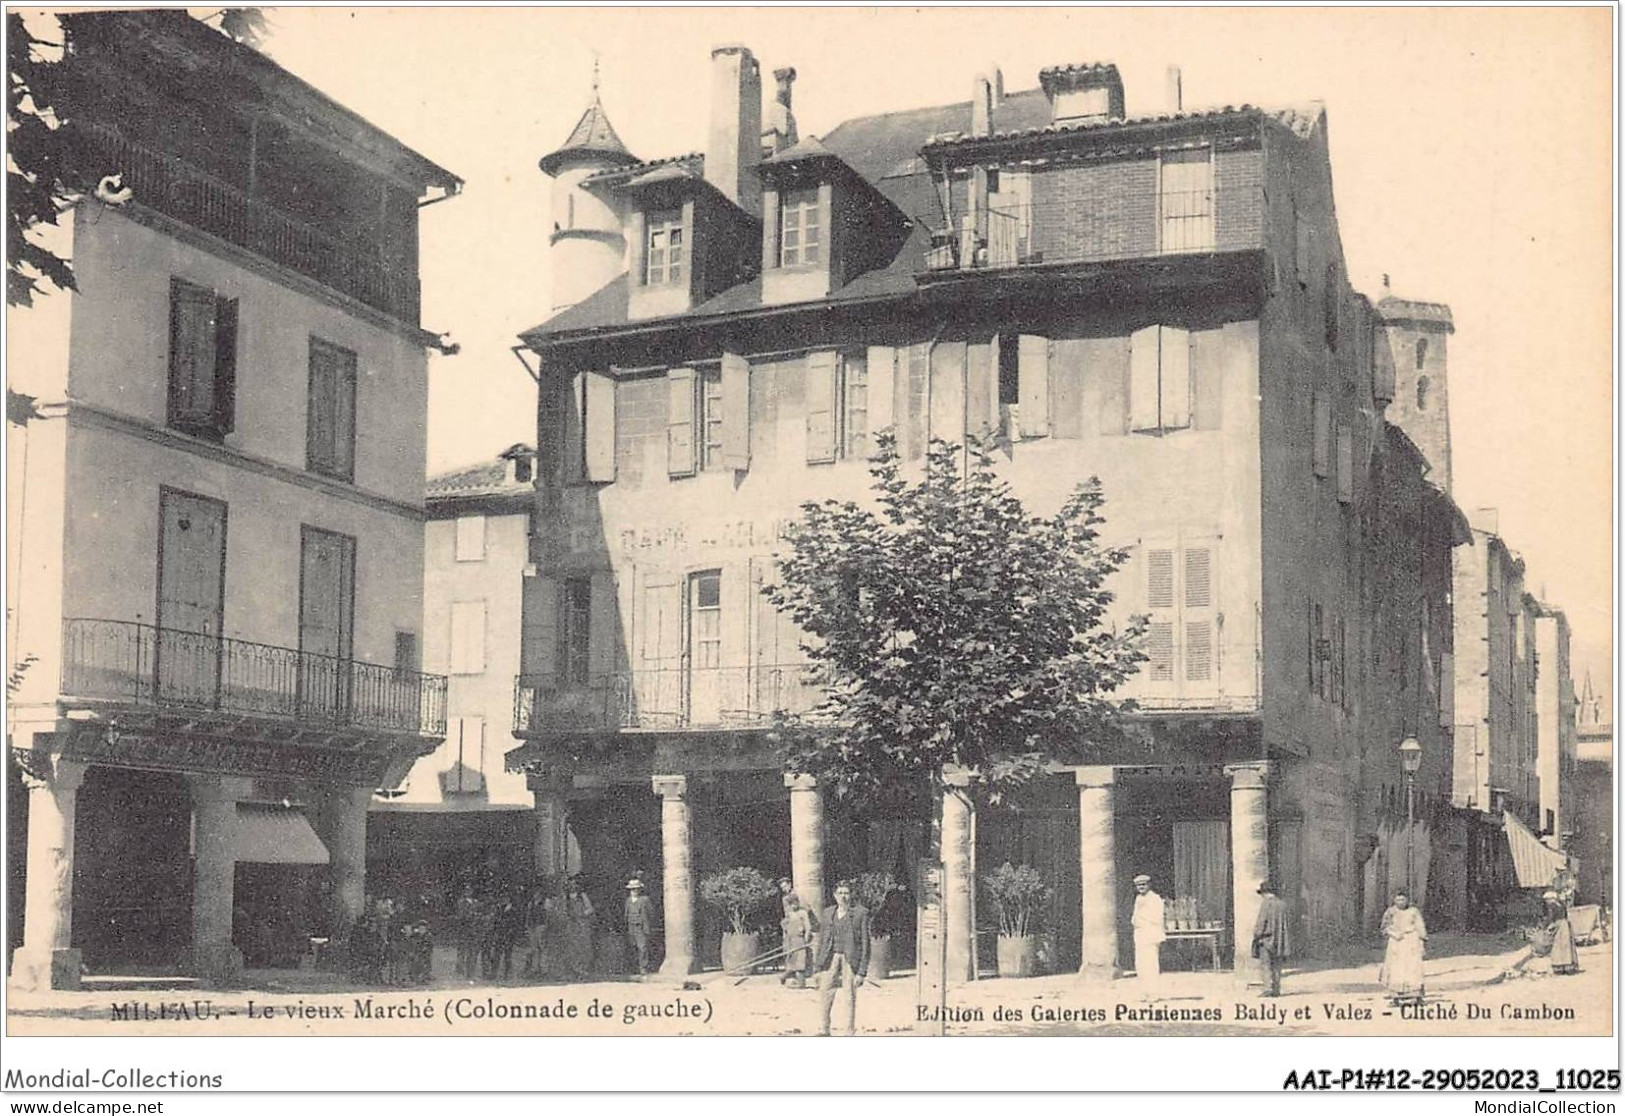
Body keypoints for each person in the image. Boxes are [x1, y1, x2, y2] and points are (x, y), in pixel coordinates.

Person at [814, 882, 870, 1036]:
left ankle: (849, 1031)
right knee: (825, 992)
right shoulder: (828, 913)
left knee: (849, 994)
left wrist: (862, 972)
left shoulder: (860, 913)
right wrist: (817, 967)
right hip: (830, 957)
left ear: (851, 895)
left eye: (846, 893)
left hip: (850, 958)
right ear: (834, 895)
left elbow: (866, 943)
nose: (843, 896)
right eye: (840, 893)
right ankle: (824, 1029)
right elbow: (822, 941)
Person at [1379, 890, 1427, 1003]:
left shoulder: (1414, 911)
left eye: (1403, 899)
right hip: (1396, 942)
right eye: (1398, 899)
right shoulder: (1390, 912)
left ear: (1407, 900)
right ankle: (1395, 996)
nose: (1400, 902)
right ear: (1394, 900)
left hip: (1411, 942)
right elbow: (1384, 928)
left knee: (1413, 968)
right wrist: (1394, 934)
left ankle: (1416, 995)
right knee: (1396, 969)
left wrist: (1421, 942)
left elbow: (1420, 927)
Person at [1251, 880, 1290, 997]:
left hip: (1266, 939)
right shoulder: (1282, 904)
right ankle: (1277, 989)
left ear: (1265, 893)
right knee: (1277, 965)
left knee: (1266, 964)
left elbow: (1261, 922)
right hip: (1280, 940)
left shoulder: (1266, 904)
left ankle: (1267, 988)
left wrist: (1256, 934)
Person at [1130, 874, 1167, 995]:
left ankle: (1153, 992)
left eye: (1143, 884)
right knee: (1140, 965)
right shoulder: (1138, 899)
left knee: (1151, 964)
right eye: (1138, 885)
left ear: (1149, 885)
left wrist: (1142, 919)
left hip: (1150, 935)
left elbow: (1157, 918)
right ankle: (1144, 992)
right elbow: (1134, 918)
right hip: (1140, 935)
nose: (1141, 887)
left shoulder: (1155, 899)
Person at [780, 892, 818, 989]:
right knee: (791, 961)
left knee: (800, 963)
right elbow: (785, 926)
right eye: (790, 904)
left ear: (797, 902)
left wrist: (806, 939)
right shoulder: (789, 913)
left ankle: (801, 984)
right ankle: (784, 977)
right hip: (790, 940)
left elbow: (808, 927)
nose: (793, 906)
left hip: (800, 940)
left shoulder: (803, 912)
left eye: (794, 903)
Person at [624, 879, 657, 978]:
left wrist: (647, 925)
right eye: (632, 889)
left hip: (641, 927)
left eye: (636, 889)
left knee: (642, 948)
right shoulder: (628, 900)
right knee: (632, 946)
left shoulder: (644, 900)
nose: (634, 891)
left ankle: (643, 968)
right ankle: (634, 968)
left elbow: (651, 913)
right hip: (631, 926)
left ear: (639, 890)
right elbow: (626, 914)